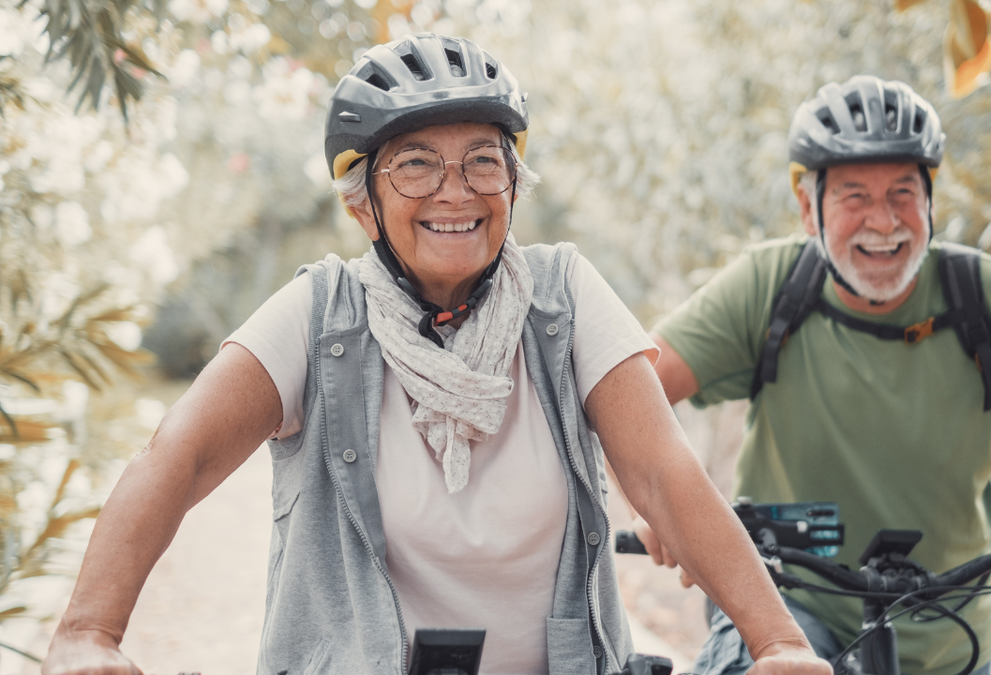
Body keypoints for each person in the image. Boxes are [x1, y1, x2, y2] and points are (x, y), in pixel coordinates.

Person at [41, 34, 832, 675]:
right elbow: (173, 457)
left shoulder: (563, 295)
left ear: (512, 184)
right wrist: (87, 631)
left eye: (483, 160)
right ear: (365, 204)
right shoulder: (320, 314)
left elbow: (664, 471)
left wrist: (779, 643)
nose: (455, 191)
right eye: (416, 162)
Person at [632, 75, 991, 675]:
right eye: (853, 196)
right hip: (786, 613)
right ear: (808, 208)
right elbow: (634, 387)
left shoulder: (985, 299)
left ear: (929, 203)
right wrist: (666, 506)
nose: (883, 220)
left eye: (903, 193)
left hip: (949, 639)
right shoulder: (768, 288)